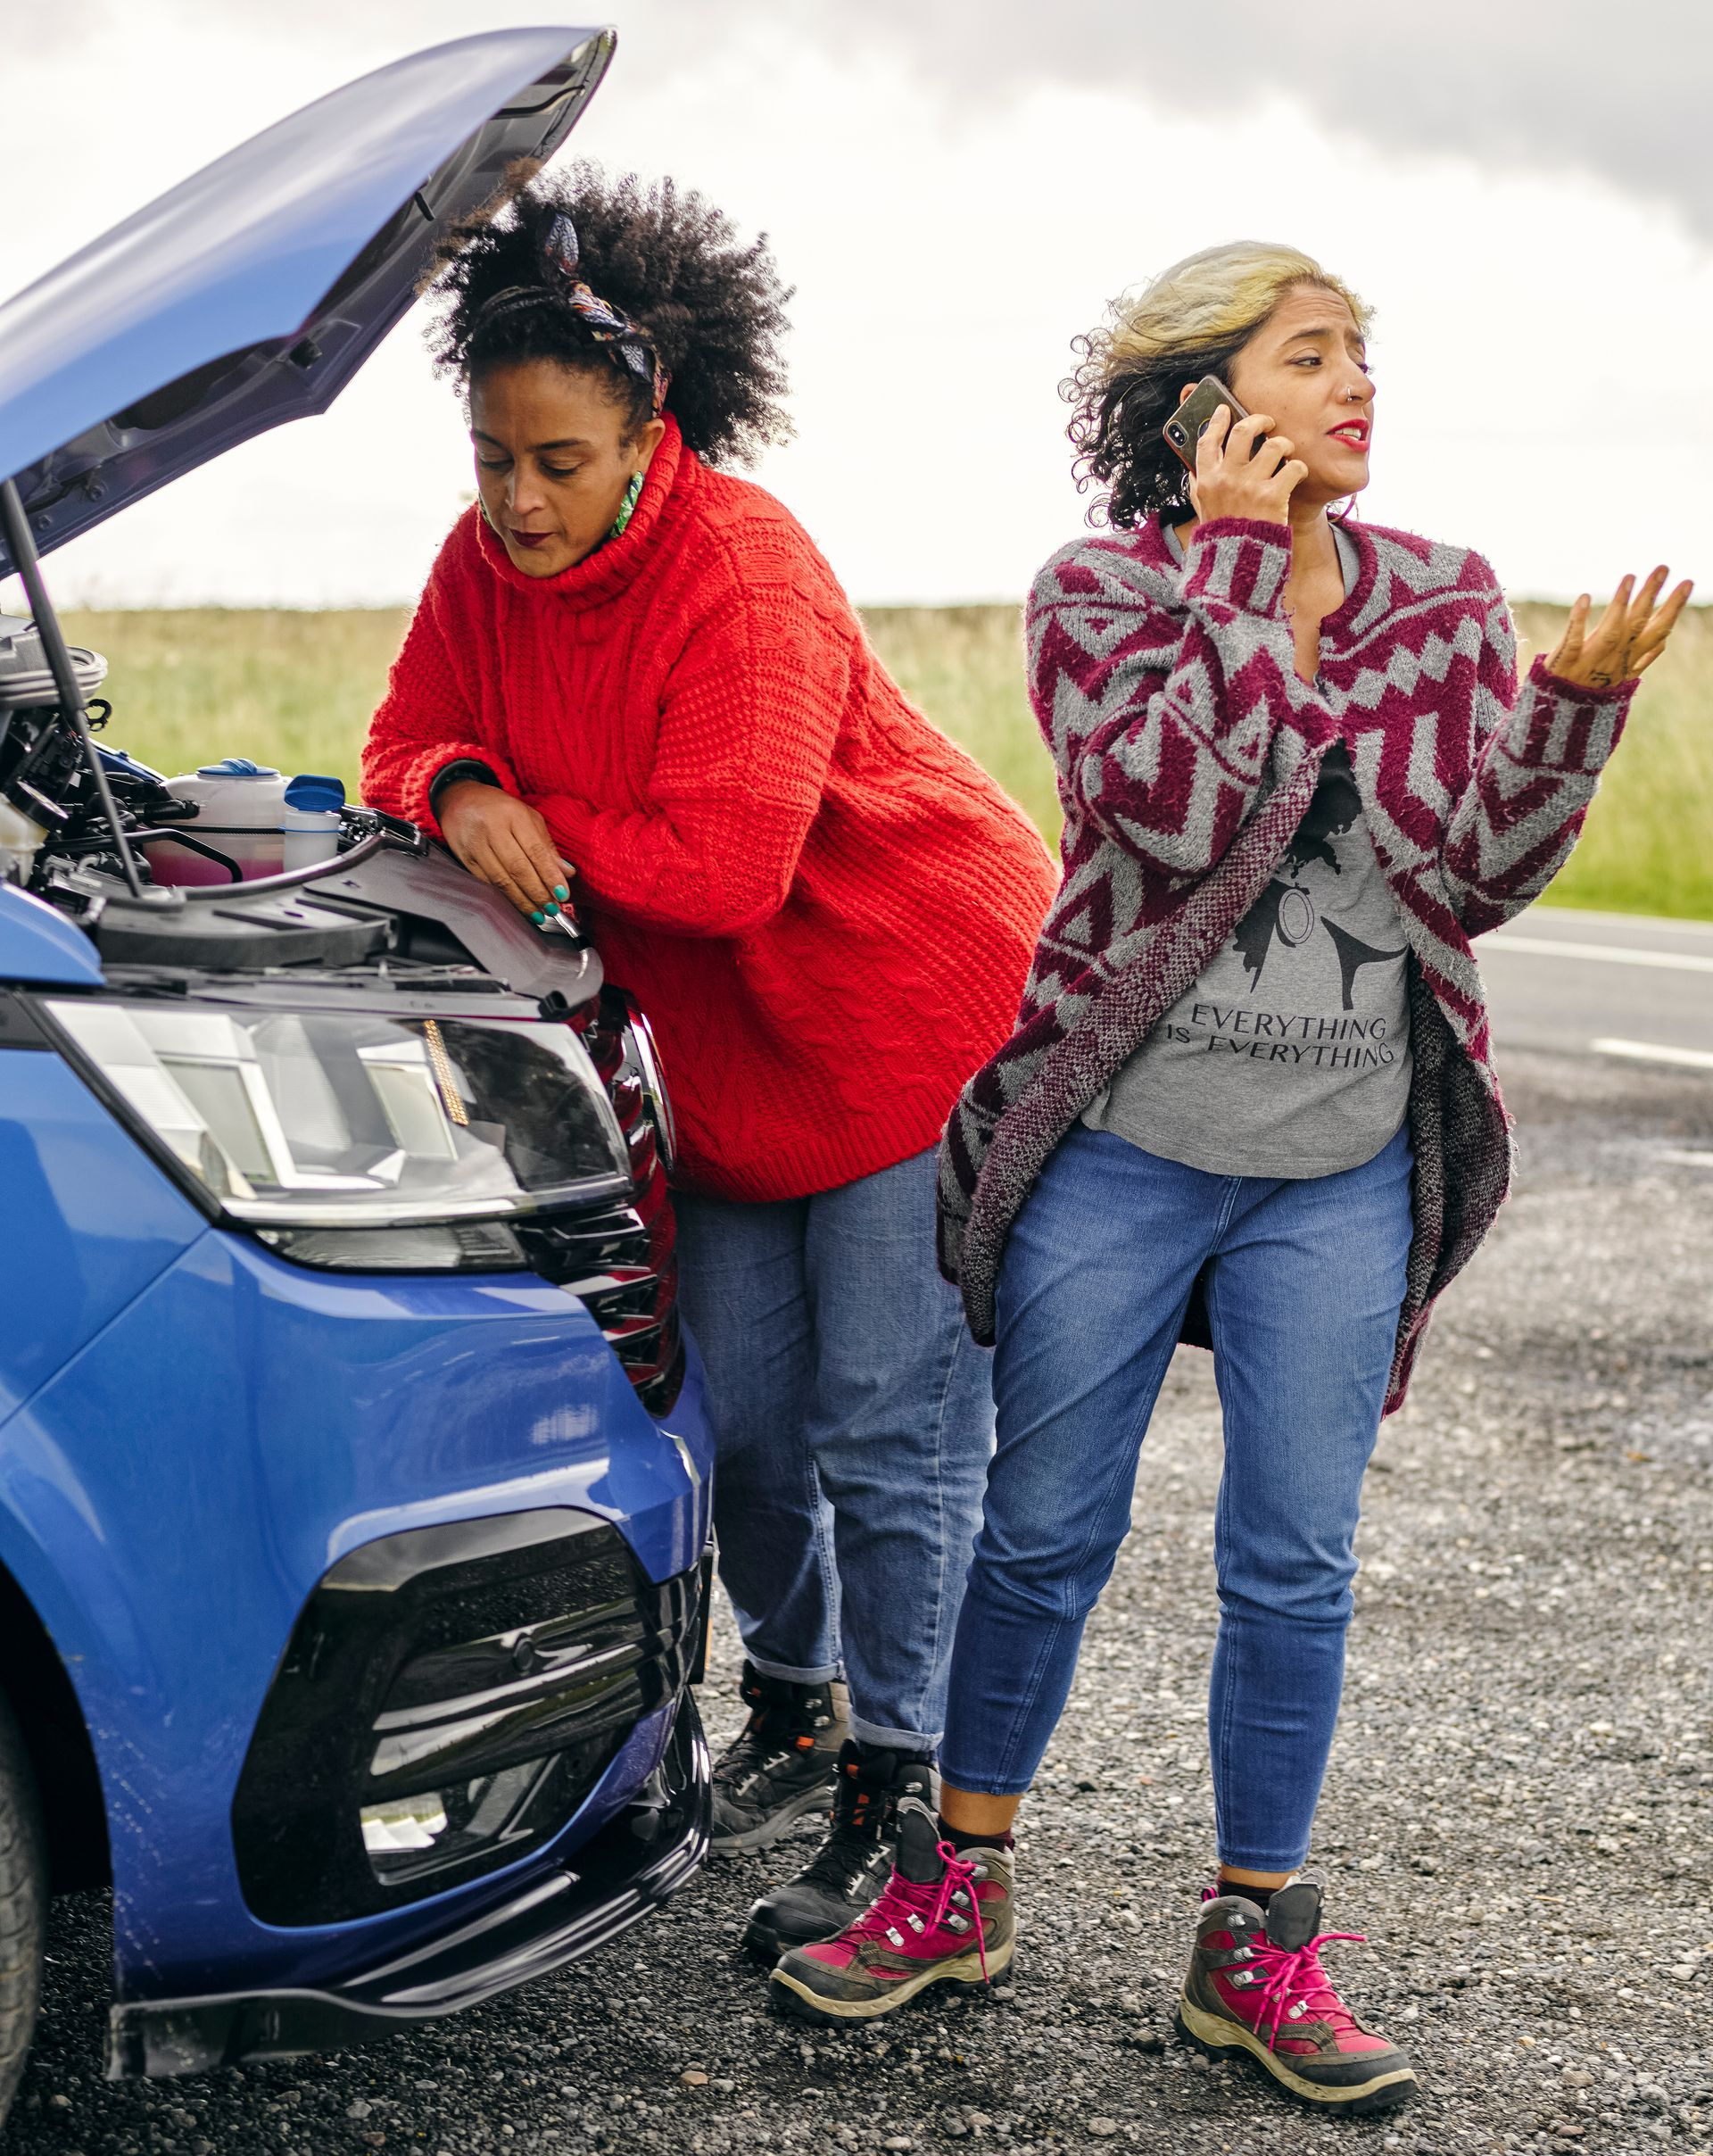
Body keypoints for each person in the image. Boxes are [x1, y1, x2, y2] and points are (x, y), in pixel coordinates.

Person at [771, 240, 1691, 2111]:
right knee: (1041, 1532)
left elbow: (1467, 878)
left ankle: (1254, 1938)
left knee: (1295, 1559)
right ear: (1203, 401)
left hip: (1336, 1167)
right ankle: (959, 1879)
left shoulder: (1438, 599)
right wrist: (1227, 573)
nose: (1360, 386)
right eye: (1314, 355)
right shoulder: (1102, 590)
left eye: (1365, 354)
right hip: (1121, 1150)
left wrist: (1569, 717)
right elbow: (1177, 811)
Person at [360, 168, 1055, 1961]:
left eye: (559, 461)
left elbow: (728, 860)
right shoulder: (482, 566)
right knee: (736, 1424)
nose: (518, 498)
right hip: (745, 1063)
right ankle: (800, 1700)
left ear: (647, 430)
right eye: (493, 456)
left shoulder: (743, 560)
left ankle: (911, 1805)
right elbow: (394, 739)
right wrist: (457, 785)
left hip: (920, 1010)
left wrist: (536, 821)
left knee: (888, 1434)